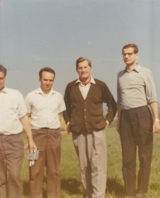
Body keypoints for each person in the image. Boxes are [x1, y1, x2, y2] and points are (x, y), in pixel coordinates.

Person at [64, 57, 117, 198]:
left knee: (98, 166)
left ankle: (98, 195)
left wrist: (107, 121)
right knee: (84, 166)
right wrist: (68, 122)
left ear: (91, 68)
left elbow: (112, 104)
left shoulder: (100, 85)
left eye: (85, 67)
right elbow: (65, 107)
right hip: (78, 132)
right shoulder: (71, 87)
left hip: (96, 131)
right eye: (80, 68)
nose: (83, 70)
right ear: (77, 70)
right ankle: (89, 194)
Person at [116, 44, 160, 198]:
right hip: (125, 119)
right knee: (128, 157)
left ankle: (141, 191)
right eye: (124, 54)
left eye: (129, 54)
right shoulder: (120, 75)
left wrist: (156, 120)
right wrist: (118, 121)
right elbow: (120, 101)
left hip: (142, 115)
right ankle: (129, 193)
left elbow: (152, 98)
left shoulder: (145, 73)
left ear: (137, 55)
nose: (126, 57)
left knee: (144, 156)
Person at [25, 67, 66, 198]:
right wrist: (30, 138)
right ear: (39, 79)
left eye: (51, 80)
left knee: (54, 170)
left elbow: (59, 115)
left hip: (53, 136)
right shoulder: (31, 96)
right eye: (45, 80)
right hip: (36, 136)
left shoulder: (58, 96)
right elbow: (26, 117)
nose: (48, 83)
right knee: (34, 169)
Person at [0, 64, 36, 198]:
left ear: (5, 78)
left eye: (1, 78)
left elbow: (24, 118)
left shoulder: (15, 95)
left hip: (13, 141)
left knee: (14, 175)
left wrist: (30, 139)